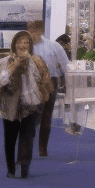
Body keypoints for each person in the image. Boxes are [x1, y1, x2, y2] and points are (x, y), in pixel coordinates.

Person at [0, 30, 53, 179]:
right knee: (10, 138)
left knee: (27, 137)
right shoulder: (7, 61)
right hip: (11, 105)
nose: (23, 45)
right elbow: (0, 82)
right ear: (14, 44)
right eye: (20, 42)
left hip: (31, 104)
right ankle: (11, 169)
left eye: (26, 42)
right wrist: (14, 66)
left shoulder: (36, 61)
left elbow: (42, 81)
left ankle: (25, 167)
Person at [26, 20, 68, 157]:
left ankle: (43, 148)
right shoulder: (24, 46)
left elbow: (66, 65)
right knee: (31, 115)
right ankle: (28, 146)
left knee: (46, 116)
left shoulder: (53, 46)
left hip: (50, 83)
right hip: (30, 83)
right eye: (29, 29)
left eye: (34, 30)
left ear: (41, 31)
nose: (31, 33)